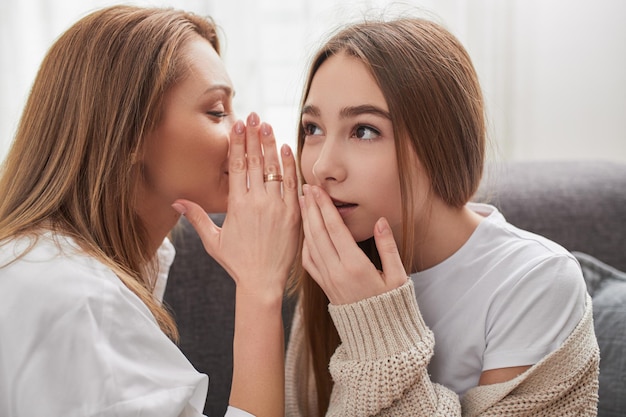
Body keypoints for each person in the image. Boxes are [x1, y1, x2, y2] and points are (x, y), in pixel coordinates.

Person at [285, 16, 600, 416]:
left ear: (442, 144)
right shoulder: (337, 262)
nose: (321, 166)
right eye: (312, 129)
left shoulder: (536, 282)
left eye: (364, 130)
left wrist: (377, 328)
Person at [0, 5, 300, 417]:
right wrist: (260, 288)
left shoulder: (46, 264)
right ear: (130, 133)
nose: (241, 131)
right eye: (216, 111)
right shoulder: (84, 302)